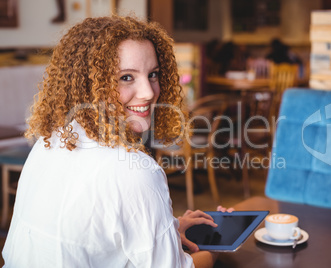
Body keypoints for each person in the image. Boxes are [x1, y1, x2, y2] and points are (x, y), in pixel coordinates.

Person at [2, 15, 229, 268]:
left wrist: (170, 227)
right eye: (126, 77)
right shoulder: (134, 170)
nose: (149, 92)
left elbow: (92, 236)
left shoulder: (49, 142)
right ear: (89, 84)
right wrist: (219, 248)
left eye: (153, 74)